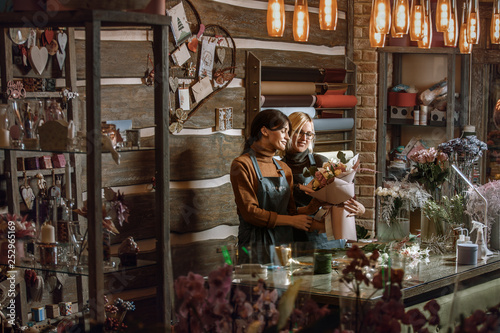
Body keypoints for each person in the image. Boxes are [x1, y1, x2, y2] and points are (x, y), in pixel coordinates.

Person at [230, 109, 320, 264]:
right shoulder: (242, 164)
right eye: (284, 131)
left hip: (283, 245)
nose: (287, 137)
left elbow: (290, 211)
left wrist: (314, 205)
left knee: (283, 288)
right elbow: (250, 212)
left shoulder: (284, 168)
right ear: (264, 131)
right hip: (255, 245)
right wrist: (291, 221)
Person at [281, 111, 365, 249]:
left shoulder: (321, 162)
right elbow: (277, 210)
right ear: (288, 132)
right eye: (299, 132)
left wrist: (359, 208)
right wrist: (305, 210)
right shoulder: (277, 166)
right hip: (296, 237)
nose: (304, 138)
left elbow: (340, 198)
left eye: (309, 134)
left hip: (327, 235)